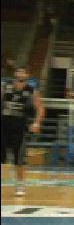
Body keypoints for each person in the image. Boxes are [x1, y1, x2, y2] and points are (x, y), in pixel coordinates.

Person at [1, 66, 44, 197]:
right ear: (15, 74)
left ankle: (20, 185)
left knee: (18, 159)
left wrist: (36, 122)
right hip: (3, 125)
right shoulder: (5, 87)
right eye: (18, 71)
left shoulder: (32, 91)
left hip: (19, 127)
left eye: (23, 72)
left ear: (27, 75)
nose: (20, 74)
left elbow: (40, 108)